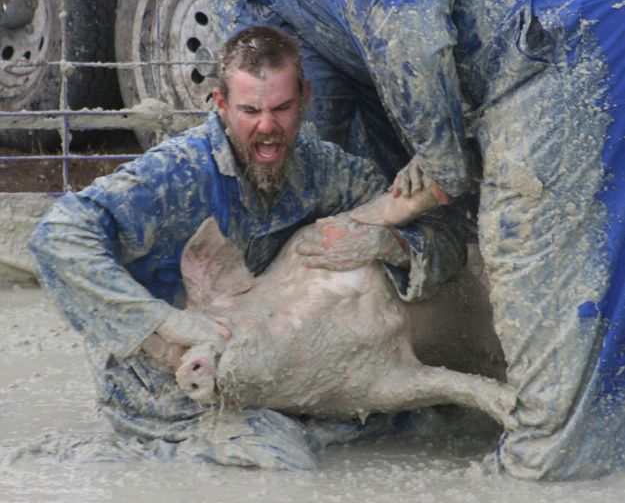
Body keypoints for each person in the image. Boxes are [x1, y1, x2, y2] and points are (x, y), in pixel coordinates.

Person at [203, 0, 625, 480]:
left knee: (549, 391)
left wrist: (439, 163)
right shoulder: (271, 11)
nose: (266, 123)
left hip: (560, 39)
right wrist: (384, 223)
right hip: (509, 41)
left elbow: (407, 17)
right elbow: (323, 108)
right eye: (250, 110)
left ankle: (563, 468)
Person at [28, 26, 471, 469]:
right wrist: (160, 321)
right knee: (283, 456)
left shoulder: (325, 171)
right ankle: (146, 460)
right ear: (220, 104)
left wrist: (390, 242)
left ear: (305, 98)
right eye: (249, 110)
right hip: (165, 379)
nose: (267, 127)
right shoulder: (177, 172)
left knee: (423, 420)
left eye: (281, 108)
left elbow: (445, 242)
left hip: (272, 361)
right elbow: (57, 236)